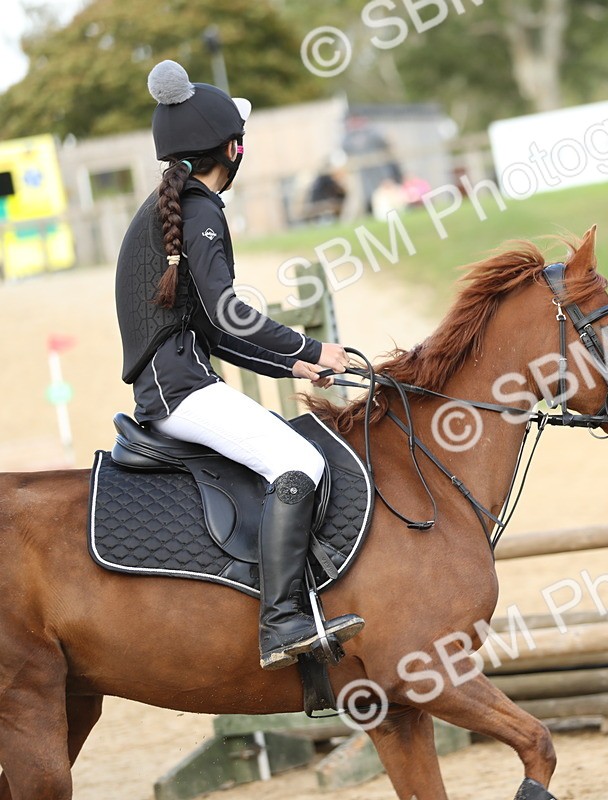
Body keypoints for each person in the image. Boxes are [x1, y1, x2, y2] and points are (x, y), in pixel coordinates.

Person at [114, 60, 364, 670]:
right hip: (178, 392)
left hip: (179, 383)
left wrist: (292, 369)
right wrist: (311, 349)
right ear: (233, 148)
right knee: (298, 459)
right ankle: (281, 623)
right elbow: (228, 313)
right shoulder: (199, 210)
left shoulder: (179, 207)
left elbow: (213, 330)